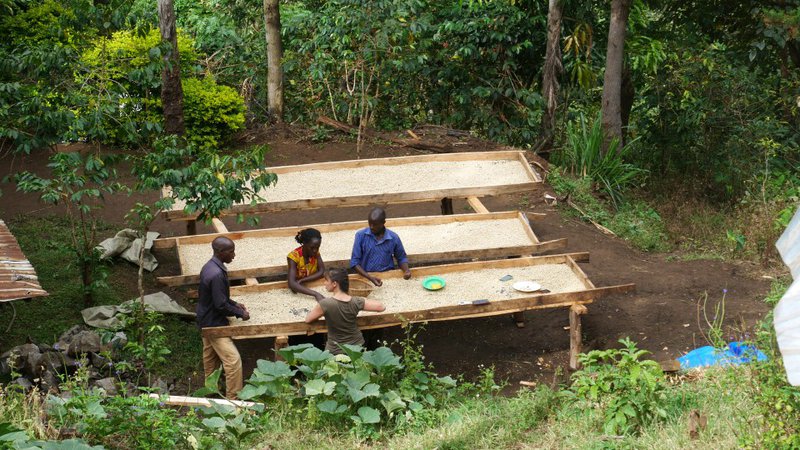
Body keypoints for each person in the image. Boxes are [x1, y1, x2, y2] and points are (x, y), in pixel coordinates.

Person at [197, 236, 250, 400]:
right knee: (233, 361)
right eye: (231, 251)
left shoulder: (209, 267)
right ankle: (233, 398)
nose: (234, 254)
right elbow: (220, 305)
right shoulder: (217, 274)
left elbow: (218, 297)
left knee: (210, 358)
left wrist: (235, 304)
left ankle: (210, 391)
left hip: (204, 317)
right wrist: (240, 313)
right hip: (213, 323)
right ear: (220, 252)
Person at [304, 268, 386, 354]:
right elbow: (381, 307)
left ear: (334, 283)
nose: (324, 283)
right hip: (357, 347)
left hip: (335, 350)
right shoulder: (356, 301)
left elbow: (308, 319)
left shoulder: (325, 304)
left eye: (326, 280)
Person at [350, 207, 412, 286]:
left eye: (375, 224)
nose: (371, 227)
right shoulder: (361, 236)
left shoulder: (393, 237)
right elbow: (354, 262)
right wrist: (370, 277)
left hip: (389, 277)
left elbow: (401, 258)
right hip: (366, 276)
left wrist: (406, 271)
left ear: (383, 222)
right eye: (370, 223)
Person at [287, 228, 326, 301]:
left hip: (304, 282)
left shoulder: (315, 253)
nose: (315, 250)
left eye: (317, 247)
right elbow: (291, 283)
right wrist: (315, 294)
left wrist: (302, 280)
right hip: (300, 287)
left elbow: (322, 271)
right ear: (304, 243)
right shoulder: (293, 257)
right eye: (312, 248)